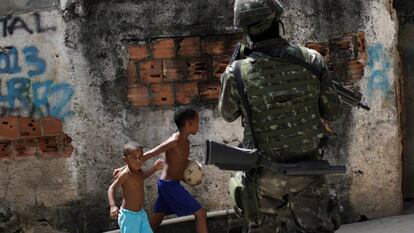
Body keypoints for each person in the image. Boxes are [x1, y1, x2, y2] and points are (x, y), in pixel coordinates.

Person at [218, 0, 342, 232]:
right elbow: (333, 112)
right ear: (278, 20)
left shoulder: (236, 72)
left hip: (264, 176)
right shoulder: (312, 60)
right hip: (308, 171)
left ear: (246, 30)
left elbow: (227, 114)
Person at [113, 106, 208, 233]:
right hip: (169, 186)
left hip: (169, 185)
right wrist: (124, 167)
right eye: (197, 122)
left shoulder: (186, 142)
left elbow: (180, 165)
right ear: (189, 123)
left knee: (158, 217)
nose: (198, 125)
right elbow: (149, 154)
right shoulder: (174, 141)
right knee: (200, 213)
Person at [108, 142, 164, 233]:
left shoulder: (138, 170)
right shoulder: (125, 174)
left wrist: (154, 168)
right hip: (129, 216)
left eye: (140, 157)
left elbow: (143, 176)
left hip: (140, 213)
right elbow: (112, 188)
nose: (138, 161)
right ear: (125, 160)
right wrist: (112, 206)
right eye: (133, 157)